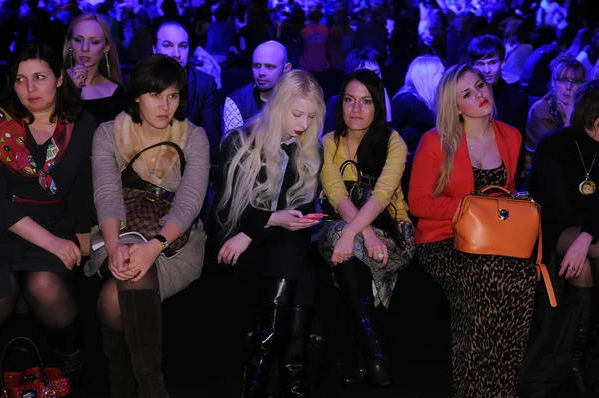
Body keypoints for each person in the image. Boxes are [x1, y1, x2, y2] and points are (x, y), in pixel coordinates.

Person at [409, 64, 536, 397]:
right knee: (487, 274)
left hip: (495, 241)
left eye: (480, 85)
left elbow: (505, 194)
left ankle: (501, 388)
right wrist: (471, 211)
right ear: (455, 105)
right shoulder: (435, 141)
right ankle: (473, 390)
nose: (480, 94)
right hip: (443, 240)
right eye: (467, 93)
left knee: (522, 276)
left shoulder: (512, 135)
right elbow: (419, 202)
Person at [88, 54, 209, 398]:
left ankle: (125, 387)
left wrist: (154, 245)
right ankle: (150, 390)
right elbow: (106, 194)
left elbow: (190, 201)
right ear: (138, 94)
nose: (165, 105)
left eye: (173, 96)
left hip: (175, 243)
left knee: (115, 299)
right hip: (119, 228)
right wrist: (113, 247)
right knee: (128, 271)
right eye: (156, 95)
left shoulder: (194, 137)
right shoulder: (109, 133)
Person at [213, 70, 324, 397]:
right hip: (240, 244)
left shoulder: (306, 148)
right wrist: (264, 223)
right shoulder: (240, 140)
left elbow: (299, 214)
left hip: (282, 244)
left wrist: (283, 220)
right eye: (297, 114)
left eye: (311, 116)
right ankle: (293, 377)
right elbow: (224, 210)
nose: (304, 123)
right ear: (278, 107)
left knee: (297, 261)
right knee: (299, 268)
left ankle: (259, 378)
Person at [0, 43, 96, 388]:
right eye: (20, 79)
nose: (29, 89)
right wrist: (52, 243)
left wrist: (83, 242)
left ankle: (72, 359)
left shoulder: (81, 125)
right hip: (5, 227)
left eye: (39, 77)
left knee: (45, 287)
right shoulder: (2, 124)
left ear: (58, 78)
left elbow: (85, 191)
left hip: (56, 223)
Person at [319, 69, 415, 388]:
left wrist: (355, 234)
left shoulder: (393, 141)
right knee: (348, 248)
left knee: (348, 254)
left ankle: (364, 351)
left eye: (366, 101)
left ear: (378, 107)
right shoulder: (329, 142)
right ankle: (375, 353)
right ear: (340, 104)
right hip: (341, 228)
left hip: (393, 230)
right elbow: (335, 193)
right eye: (349, 100)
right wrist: (361, 234)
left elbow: (382, 195)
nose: (356, 109)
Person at [527, 80, 599, 395]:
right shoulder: (555, 144)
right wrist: (586, 234)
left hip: (589, 235)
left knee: (582, 270)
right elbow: (557, 210)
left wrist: (586, 238)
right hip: (551, 230)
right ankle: (576, 363)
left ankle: (576, 361)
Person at [153, 20, 221, 166]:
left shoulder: (204, 84)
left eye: (182, 46)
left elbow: (211, 138)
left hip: (190, 167)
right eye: (168, 45)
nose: (176, 54)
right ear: (155, 49)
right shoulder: (139, 82)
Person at [391, 55, 444, 199]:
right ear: (428, 76)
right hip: (409, 169)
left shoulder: (419, 100)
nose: (444, 79)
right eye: (441, 74)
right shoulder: (408, 101)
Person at [524, 57, 585, 175]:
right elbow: (555, 155)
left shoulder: (585, 107)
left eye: (576, 81)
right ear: (553, 82)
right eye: (563, 80)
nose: (569, 87)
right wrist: (568, 119)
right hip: (545, 172)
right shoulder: (540, 110)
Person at [62, 14, 126, 125]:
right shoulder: (53, 83)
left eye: (94, 42)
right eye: (78, 40)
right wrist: (70, 92)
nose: (85, 48)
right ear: (69, 43)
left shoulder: (117, 93)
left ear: (106, 47)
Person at [222, 40, 292, 138]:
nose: (261, 72)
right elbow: (232, 148)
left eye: (270, 67)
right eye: (257, 66)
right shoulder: (238, 101)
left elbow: (311, 144)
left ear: (286, 68)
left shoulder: (300, 98)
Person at [468, 34, 529, 137]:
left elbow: (516, 141)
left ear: (502, 63)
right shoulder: (461, 97)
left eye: (492, 63)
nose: (487, 70)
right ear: (472, 65)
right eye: (481, 64)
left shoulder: (517, 99)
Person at [323, 48, 392, 135]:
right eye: (365, 75)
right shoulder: (335, 104)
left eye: (376, 73)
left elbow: (389, 142)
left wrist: (387, 111)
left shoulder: (381, 100)